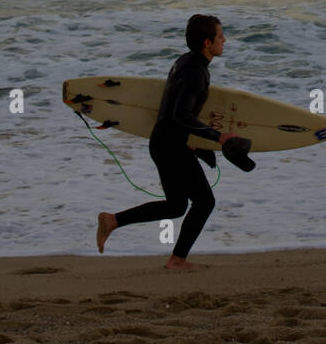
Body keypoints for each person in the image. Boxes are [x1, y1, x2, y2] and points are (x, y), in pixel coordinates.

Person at [97, 14, 238, 270]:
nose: (224, 40)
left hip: (166, 142)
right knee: (205, 202)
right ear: (207, 43)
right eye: (220, 36)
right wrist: (217, 136)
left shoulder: (185, 62)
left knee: (176, 206)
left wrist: (194, 143)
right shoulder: (195, 72)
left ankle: (112, 220)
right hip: (171, 147)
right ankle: (177, 260)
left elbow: (174, 111)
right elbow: (181, 114)